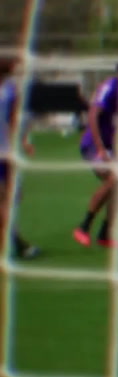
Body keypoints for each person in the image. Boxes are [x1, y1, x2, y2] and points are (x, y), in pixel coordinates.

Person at [75, 63, 118, 248]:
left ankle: (105, 234)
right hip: (93, 145)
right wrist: (100, 149)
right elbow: (93, 115)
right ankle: (83, 227)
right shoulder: (110, 87)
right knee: (114, 180)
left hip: (109, 147)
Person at [0, 57, 38, 259]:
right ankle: (17, 243)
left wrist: (23, 140)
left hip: (6, 152)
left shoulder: (10, 89)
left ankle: (13, 241)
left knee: (13, 198)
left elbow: (15, 117)